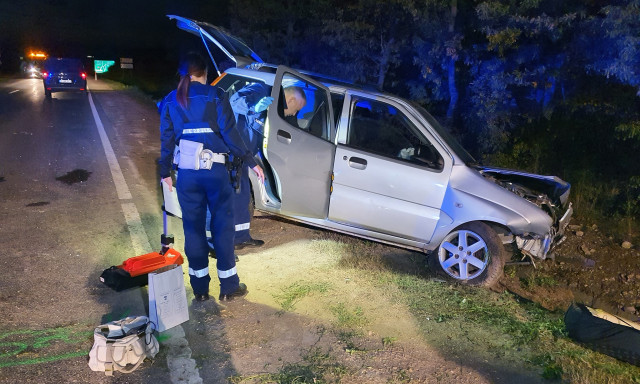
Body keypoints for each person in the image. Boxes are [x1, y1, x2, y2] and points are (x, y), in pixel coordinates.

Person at [159, 52, 264, 302]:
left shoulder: (170, 101)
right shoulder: (216, 95)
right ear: (205, 74)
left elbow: (166, 141)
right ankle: (229, 287)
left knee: (193, 230)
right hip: (216, 173)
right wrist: (251, 160)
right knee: (222, 229)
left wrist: (165, 172)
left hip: (187, 175)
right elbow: (231, 135)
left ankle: (200, 291)